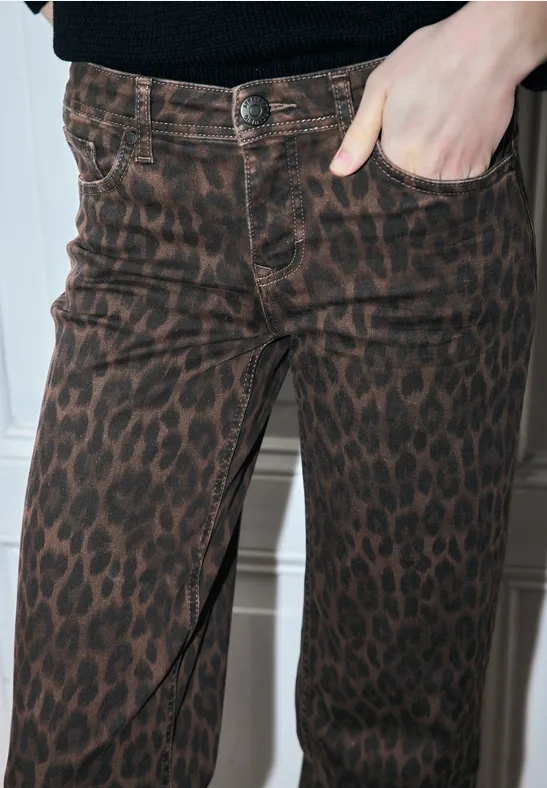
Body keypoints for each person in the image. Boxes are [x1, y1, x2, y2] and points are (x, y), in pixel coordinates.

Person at [4, 2, 547, 787]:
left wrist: (512, 27)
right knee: (75, 737)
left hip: (404, 183)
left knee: (392, 752)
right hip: (143, 178)